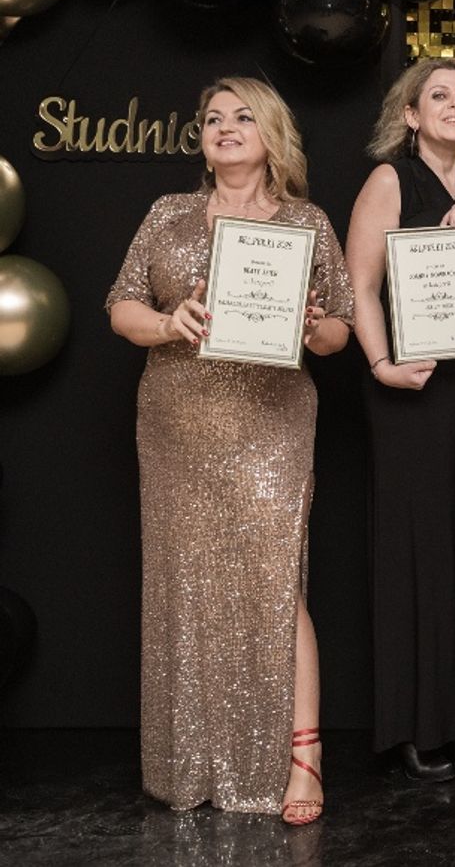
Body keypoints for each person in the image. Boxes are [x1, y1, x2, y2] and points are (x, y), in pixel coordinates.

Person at [106, 77, 354, 825]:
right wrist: (167, 323)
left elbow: (339, 329)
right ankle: (190, 763)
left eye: (243, 116)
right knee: (187, 585)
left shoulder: (306, 221)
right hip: (176, 420)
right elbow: (121, 306)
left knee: (278, 585)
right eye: (213, 118)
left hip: (271, 421)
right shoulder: (168, 214)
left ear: (271, 134)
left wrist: (310, 327)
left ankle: (303, 760)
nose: (225, 127)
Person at [345, 58, 455, 782]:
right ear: (411, 114)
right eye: (438, 96)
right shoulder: (391, 179)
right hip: (411, 388)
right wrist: (382, 364)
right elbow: (359, 285)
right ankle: (417, 725)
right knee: (417, 550)